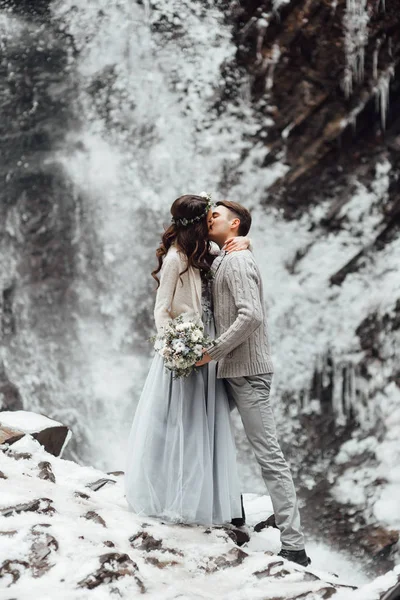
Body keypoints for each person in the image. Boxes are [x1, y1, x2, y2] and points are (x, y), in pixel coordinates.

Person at [196, 200, 310, 567]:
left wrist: (212, 351)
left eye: (217, 215)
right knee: (203, 430)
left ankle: (295, 546)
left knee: (269, 456)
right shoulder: (228, 257)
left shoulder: (240, 260)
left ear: (236, 225)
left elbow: (251, 316)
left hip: (246, 371)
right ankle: (222, 511)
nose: (209, 218)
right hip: (230, 369)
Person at [125, 194, 248, 526]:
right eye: (207, 219)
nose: (211, 223)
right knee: (181, 421)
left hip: (208, 346)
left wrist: (244, 242)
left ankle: (205, 495)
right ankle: (171, 494)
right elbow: (161, 308)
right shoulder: (176, 259)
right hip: (185, 350)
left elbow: (232, 254)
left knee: (204, 422)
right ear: (195, 225)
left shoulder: (206, 253)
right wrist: (174, 345)